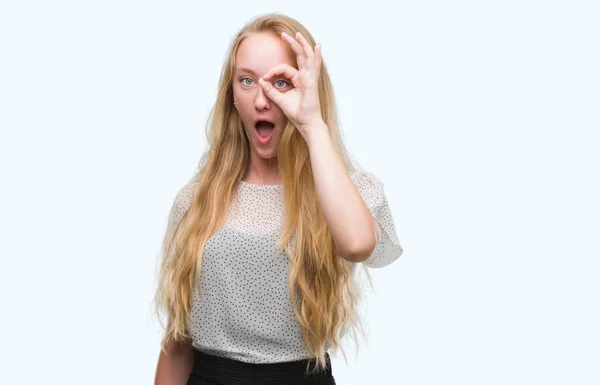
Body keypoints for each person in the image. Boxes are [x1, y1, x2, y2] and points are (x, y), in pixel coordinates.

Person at [153, 12, 404, 385]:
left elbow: (356, 243)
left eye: (281, 82)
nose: (262, 100)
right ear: (231, 97)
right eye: (247, 80)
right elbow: (178, 341)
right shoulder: (195, 202)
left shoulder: (351, 193)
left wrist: (311, 124)